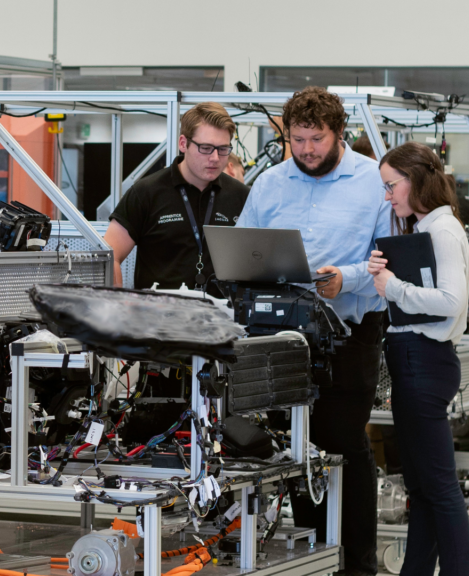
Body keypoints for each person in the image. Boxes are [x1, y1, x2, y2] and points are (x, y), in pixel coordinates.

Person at [235, 86, 390, 575]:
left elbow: (388, 256)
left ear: (339, 133)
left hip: (350, 332)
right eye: (298, 139)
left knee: (343, 442)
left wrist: (349, 277)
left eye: (316, 139)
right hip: (283, 337)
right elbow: (242, 248)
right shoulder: (270, 183)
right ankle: (312, 558)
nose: (306, 149)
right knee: (297, 450)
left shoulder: (372, 181)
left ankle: (356, 563)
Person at [368, 141, 469, 576]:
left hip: (424, 360)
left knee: (440, 488)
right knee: (424, 488)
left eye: (392, 185)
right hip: (416, 358)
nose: (388, 196)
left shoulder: (443, 231)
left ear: (416, 180)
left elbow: (451, 300)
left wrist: (392, 286)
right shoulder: (425, 229)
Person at [105, 102, 249, 294]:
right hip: (159, 317)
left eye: (223, 149)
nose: (215, 158)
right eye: (206, 148)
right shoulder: (146, 192)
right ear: (183, 144)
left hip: (223, 315)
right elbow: (110, 254)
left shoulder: (241, 196)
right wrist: (116, 304)